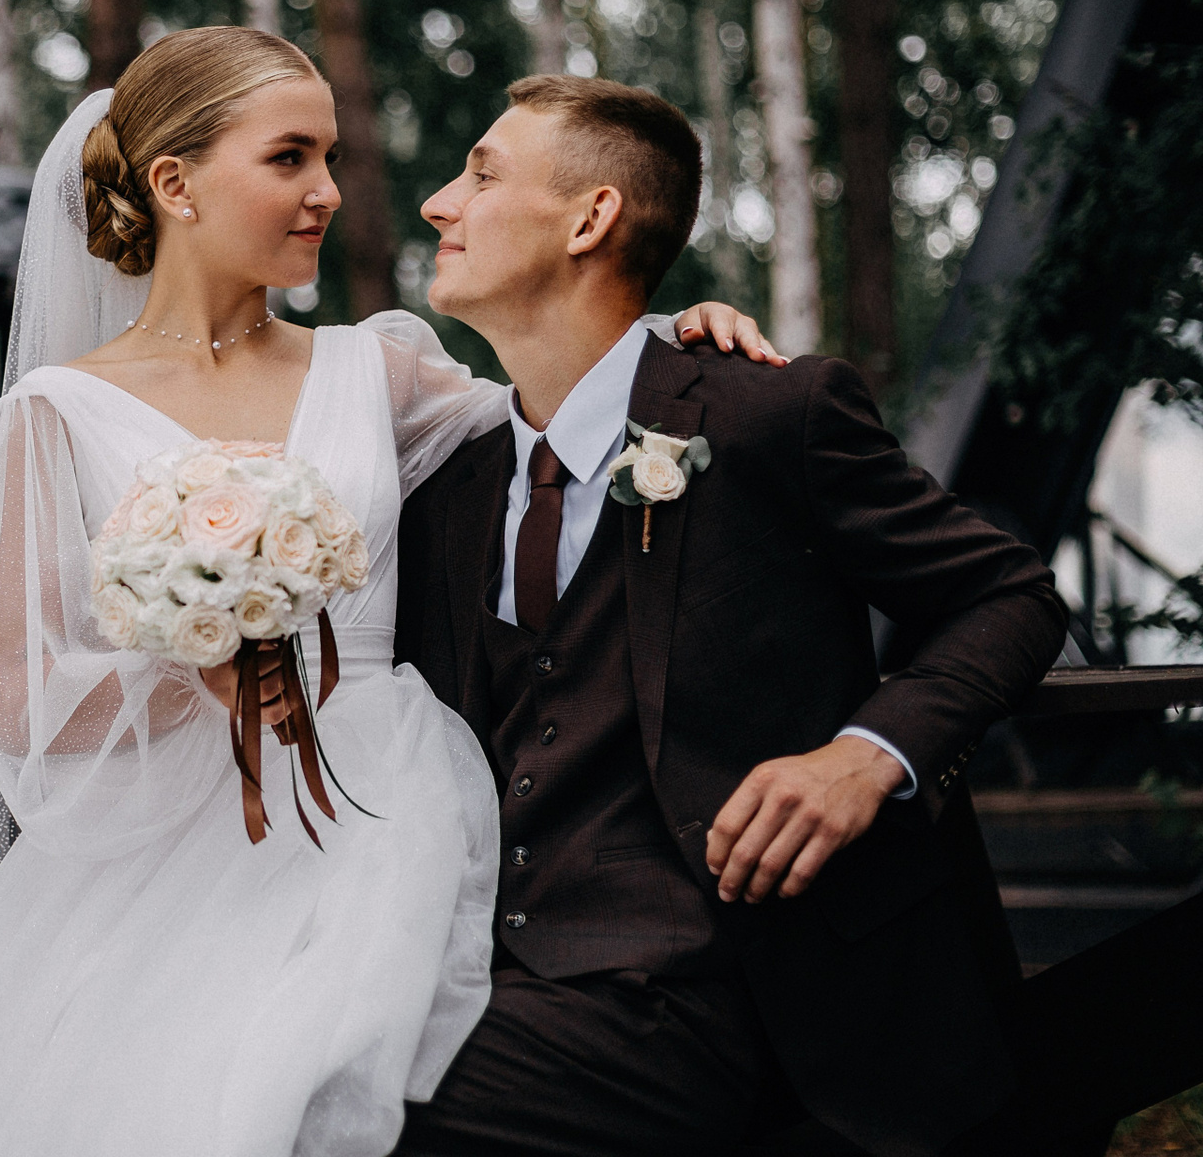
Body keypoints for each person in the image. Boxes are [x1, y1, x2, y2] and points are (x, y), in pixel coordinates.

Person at [0, 28, 774, 1157]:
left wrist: (673, 344)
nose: (328, 190)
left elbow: (556, 412)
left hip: (385, 811)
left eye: (330, 158)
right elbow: (22, 704)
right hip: (162, 863)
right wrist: (196, 658)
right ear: (175, 184)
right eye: (290, 158)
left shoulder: (374, 367)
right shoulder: (50, 415)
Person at [390, 74, 1068, 1157]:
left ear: (591, 218)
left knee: (344, 1111)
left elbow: (1010, 595)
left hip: (724, 992)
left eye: (481, 174)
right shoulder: (448, 486)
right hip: (491, 976)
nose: (438, 202)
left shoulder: (768, 415)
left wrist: (867, 755)